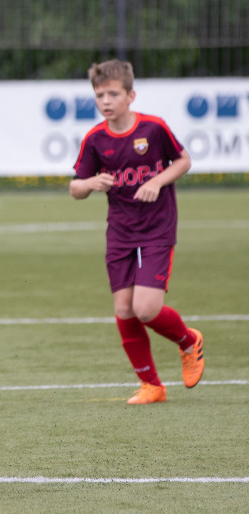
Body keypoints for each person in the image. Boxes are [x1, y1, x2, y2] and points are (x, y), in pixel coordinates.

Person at [70, 59, 204, 405]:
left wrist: (157, 181)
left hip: (158, 228)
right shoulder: (95, 139)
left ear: (131, 95)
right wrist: (90, 182)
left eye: (113, 93)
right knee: (124, 309)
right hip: (120, 232)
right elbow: (75, 188)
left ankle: (188, 341)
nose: (106, 100)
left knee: (145, 309)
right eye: (100, 95)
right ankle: (152, 386)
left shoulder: (154, 129)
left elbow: (184, 161)